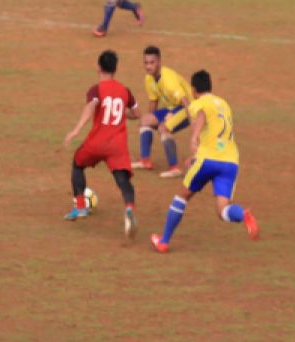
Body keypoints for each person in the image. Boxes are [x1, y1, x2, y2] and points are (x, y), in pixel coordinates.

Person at [150, 69, 259, 254]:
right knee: (223, 211)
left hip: (208, 159)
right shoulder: (224, 104)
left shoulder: (199, 103)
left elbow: (201, 116)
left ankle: (164, 241)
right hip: (230, 162)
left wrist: (193, 140)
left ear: (194, 90)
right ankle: (242, 214)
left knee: (181, 197)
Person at [61, 49, 139, 238]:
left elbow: (91, 106)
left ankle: (80, 206)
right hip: (117, 145)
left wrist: (77, 129)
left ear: (98, 68)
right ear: (115, 69)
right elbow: (136, 114)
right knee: (123, 180)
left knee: (77, 163)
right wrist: (122, 114)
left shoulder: (96, 90)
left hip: (97, 142)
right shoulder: (125, 91)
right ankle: (129, 208)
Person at [134, 45, 193, 178]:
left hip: (189, 108)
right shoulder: (149, 79)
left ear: (159, 62)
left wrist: (194, 127)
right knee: (144, 120)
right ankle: (145, 160)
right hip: (172, 108)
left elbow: (186, 103)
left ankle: (174, 167)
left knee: (164, 128)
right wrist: (151, 121)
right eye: (146, 62)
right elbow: (153, 102)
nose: (148, 66)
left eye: (152, 62)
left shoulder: (169, 80)